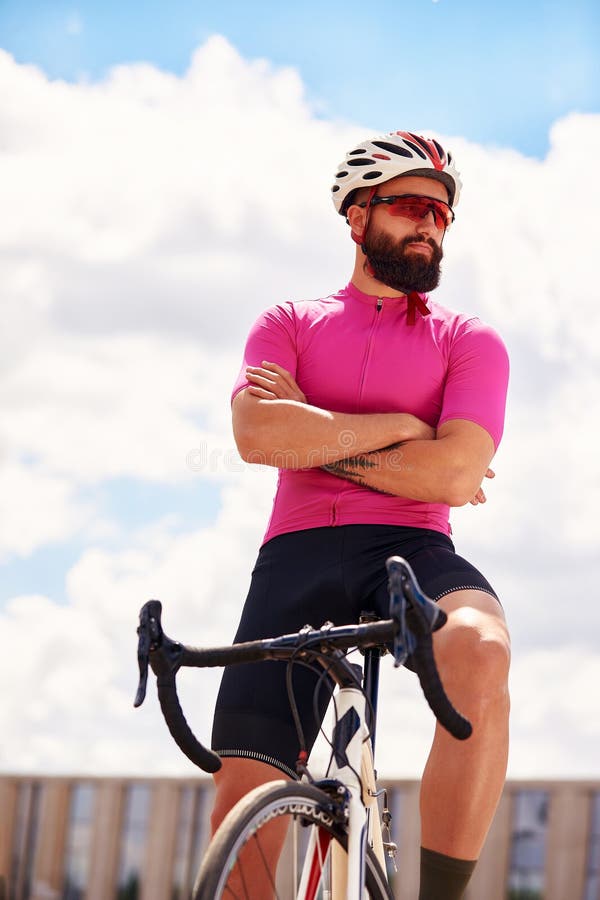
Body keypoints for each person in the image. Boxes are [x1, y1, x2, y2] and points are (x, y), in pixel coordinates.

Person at [210, 130, 510, 900]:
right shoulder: (288, 322)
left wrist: (314, 436)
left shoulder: (469, 342)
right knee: (239, 833)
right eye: (412, 207)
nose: (429, 226)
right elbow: (255, 436)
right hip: (296, 555)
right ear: (357, 215)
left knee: (480, 650)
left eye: (442, 216)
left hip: (414, 549)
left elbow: (453, 472)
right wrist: (403, 428)